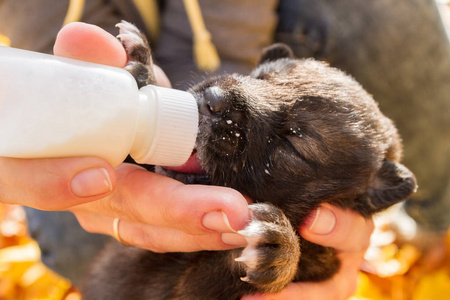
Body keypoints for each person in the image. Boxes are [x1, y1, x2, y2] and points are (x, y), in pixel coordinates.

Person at [0, 0, 449, 299]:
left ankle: (441, 225)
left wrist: (285, 255)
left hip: (221, 42)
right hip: (116, 251)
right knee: (80, 228)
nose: (221, 97)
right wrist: (107, 88)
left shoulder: (316, 229)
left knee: (392, 18)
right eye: (264, 78)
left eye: (295, 144)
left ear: (364, 194)